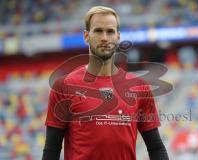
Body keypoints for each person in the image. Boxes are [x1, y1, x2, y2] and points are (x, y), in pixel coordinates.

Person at [42, 6, 169, 160]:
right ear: (86, 36)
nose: (104, 37)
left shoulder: (139, 87)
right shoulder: (64, 87)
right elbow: (51, 151)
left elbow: (156, 148)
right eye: (98, 31)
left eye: (110, 31)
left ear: (118, 36)